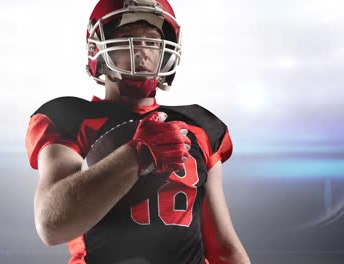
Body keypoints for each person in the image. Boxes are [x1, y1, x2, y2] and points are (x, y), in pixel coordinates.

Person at [25, 0, 251, 263]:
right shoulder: (70, 117)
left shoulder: (199, 125)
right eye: (127, 37)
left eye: (152, 41)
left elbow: (223, 248)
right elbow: (51, 225)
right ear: (97, 49)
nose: (142, 50)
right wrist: (134, 155)